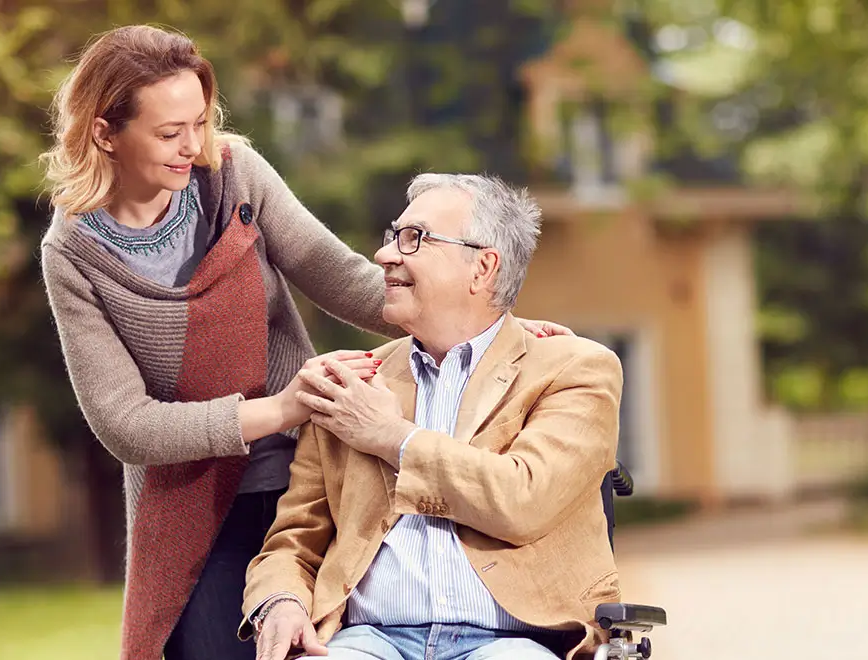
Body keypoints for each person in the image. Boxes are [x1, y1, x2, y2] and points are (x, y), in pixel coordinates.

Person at [37, 25, 569, 660]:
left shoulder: (232, 177)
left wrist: (494, 328)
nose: (194, 146)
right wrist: (285, 408)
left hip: (307, 478)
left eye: (200, 123)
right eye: (169, 132)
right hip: (193, 501)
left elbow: (339, 275)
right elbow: (126, 425)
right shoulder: (73, 254)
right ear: (105, 133)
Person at [241, 173, 623, 660]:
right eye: (392, 235)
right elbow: (294, 542)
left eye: (414, 238)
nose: (384, 254)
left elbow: (522, 500)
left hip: (512, 642)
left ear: (482, 267)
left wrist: (392, 437)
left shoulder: (575, 369)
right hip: (368, 639)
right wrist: (281, 601)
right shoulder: (350, 382)